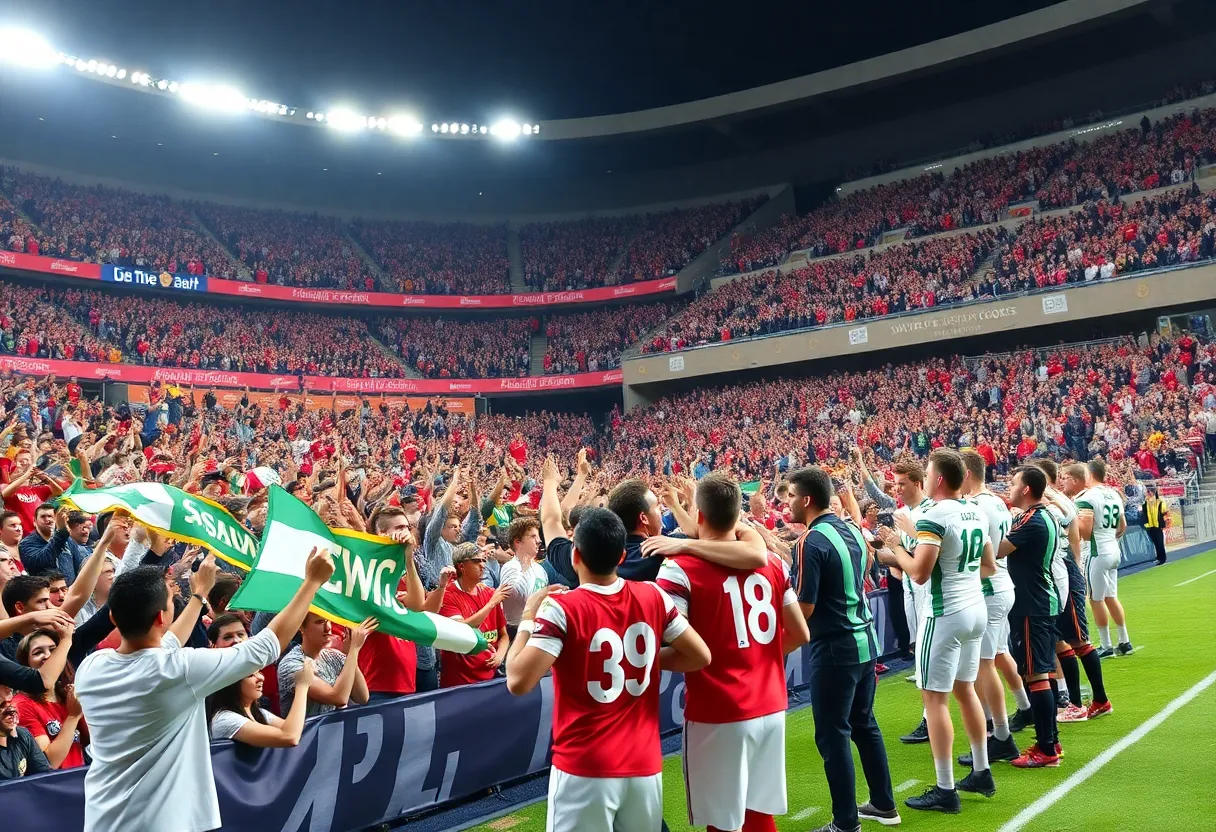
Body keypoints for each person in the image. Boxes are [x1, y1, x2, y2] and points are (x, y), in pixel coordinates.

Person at [73, 546, 337, 832]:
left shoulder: (92, 667)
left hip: (104, 821)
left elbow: (166, 643)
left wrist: (199, 597)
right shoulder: (179, 670)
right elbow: (265, 648)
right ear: (162, 617)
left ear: (113, 617)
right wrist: (311, 582)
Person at [505, 507, 711, 832]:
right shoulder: (654, 594)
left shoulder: (562, 608)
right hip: (643, 765)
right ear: (619, 556)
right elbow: (699, 656)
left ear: (575, 555)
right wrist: (643, 657)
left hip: (584, 766)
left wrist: (529, 615)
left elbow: (517, 680)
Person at [655, 472, 809, 832]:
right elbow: (800, 632)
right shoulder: (772, 563)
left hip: (718, 709)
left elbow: (674, 645)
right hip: (770, 703)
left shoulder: (678, 568)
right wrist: (759, 658)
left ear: (700, 516)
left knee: (722, 822)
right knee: (758, 814)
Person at [876, 449, 996, 813]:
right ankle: (981, 769)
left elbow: (919, 573)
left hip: (945, 613)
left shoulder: (935, 513)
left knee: (934, 700)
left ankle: (945, 789)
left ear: (938, 478)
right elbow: (988, 565)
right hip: (975, 607)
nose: (925, 478)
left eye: (928, 472)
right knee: (966, 691)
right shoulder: (974, 509)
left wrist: (897, 545)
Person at [788, 466, 899, 832]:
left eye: (790, 495)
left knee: (833, 734)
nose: (786, 502)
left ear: (806, 500)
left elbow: (804, 608)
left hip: (835, 650)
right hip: (866, 641)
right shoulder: (851, 527)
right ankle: (883, 803)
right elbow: (867, 564)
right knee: (864, 724)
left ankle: (846, 823)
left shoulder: (809, 542)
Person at [957, 449, 1025, 765]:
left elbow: (979, 556)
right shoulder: (997, 501)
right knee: (997, 655)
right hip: (1003, 582)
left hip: (988, 585)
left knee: (984, 665)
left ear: (966, 474)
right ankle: (1022, 708)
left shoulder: (974, 506)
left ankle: (999, 734)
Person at [999, 466, 1063, 768]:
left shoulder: (1030, 520)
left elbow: (998, 551)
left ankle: (1046, 748)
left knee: (1036, 674)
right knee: (1044, 672)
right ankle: (1051, 739)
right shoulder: (1045, 515)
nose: (1009, 489)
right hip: (1042, 600)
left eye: (1013, 484)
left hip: (1031, 604)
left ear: (1026, 489)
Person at [1056, 464, 1113, 720]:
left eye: (1065, 477)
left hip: (1073, 570)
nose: (1061, 481)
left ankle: (1092, 699)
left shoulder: (1073, 503)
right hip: (1100, 552)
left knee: (1080, 633)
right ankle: (1074, 700)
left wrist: (1076, 563)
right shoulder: (1072, 502)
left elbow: (1082, 535)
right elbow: (1120, 525)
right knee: (1060, 641)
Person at [1075, 459, 1130, 657]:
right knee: (1110, 596)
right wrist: (1109, 538)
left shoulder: (1088, 497)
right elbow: (1122, 525)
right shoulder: (1114, 493)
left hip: (1097, 551)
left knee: (1095, 599)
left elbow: (1087, 533)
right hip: (1113, 548)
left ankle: (1106, 645)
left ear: (1089, 475)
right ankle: (1124, 640)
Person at [13, 627, 87, 769]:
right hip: (53, 787)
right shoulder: (22, 705)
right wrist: (72, 717)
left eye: (53, 650)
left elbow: (92, 740)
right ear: (25, 663)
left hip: (80, 781)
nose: (48, 656)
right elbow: (49, 763)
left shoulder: (67, 695)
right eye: (38, 652)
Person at [438, 543, 510, 687]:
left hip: (490, 679)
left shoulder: (489, 593)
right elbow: (460, 629)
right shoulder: (447, 595)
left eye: (484, 560)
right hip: (459, 683)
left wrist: (500, 655)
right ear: (462, 566)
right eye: (477, 561)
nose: (483, 565)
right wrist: (491, 604)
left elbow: (504, 635)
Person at [278, 613, 373, 715]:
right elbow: (339, 698)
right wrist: (354, 649)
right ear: (301, 627)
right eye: (320, 622)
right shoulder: (291, 664)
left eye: (329, 621)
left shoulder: (334, 656)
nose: (328, 628)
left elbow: (362, 697)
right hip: (303, 730)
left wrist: (350, 653)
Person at [207, 662, 313, 747]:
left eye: (259, 672)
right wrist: (302, 686)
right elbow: (290, 737)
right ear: (233, 683)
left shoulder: (260, 713)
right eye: (251, 675)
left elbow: (297, 729)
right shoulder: (225, 719)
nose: (261, 678)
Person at [498, 516, 548, 640]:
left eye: (538, 536)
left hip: (537, 629)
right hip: (516, 633)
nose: (539, 541)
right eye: (533, 537)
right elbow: (520, 596)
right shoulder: (510, 567)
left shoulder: (540, 569)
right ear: (518, 542)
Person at [0, 683, 51, 780]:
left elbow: (44, 778)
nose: (10, 711)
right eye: (1, 705)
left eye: (10, 703)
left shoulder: (23, 735)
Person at [1143, 486, 1168, 565]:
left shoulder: (1159, 502)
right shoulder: (1146, 502)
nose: (1147, 493)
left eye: (1148, 492)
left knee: (1160, 542)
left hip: (1158, 525)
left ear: (1151, 492)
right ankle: (1158, 557)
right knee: (1155, 542)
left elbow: (1164, 510)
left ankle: (1162, 558)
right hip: (1150, 525)